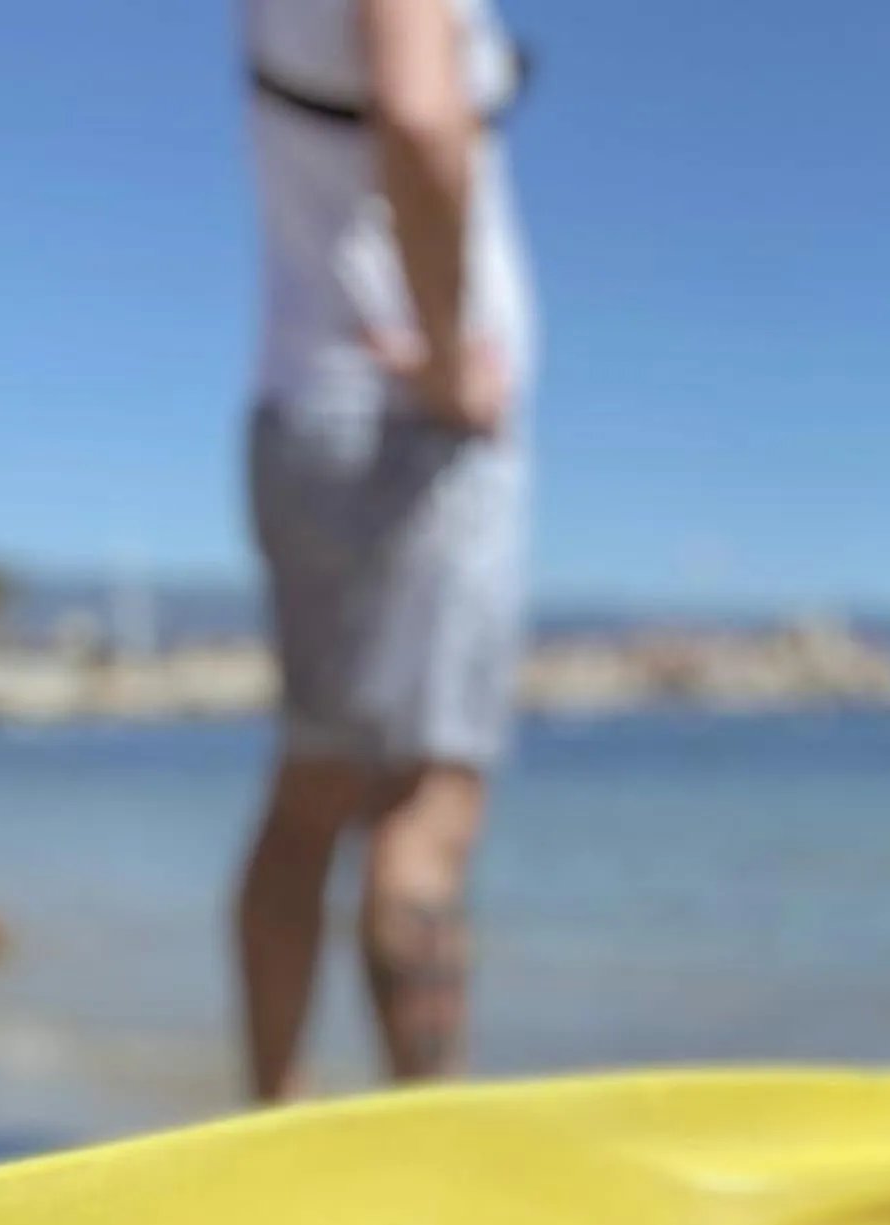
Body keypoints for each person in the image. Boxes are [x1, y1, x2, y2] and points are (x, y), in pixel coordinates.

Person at [234, 0, 536, 1098]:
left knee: (314, 787)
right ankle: (430, 1165)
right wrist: (452, 364)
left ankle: (265, 1137)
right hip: (411, 434)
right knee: (428, 805)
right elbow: (418, 115)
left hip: (306, 407)